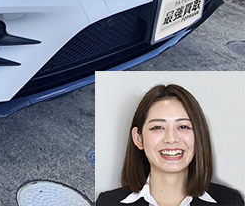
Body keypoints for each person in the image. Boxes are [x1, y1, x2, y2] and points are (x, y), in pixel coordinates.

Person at [97, 84, 244, 206]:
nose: (171, 138)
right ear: (138, 138)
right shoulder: (107, 203)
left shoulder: (231, 202)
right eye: (158, 127)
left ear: (199, 136)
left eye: (183, 127)